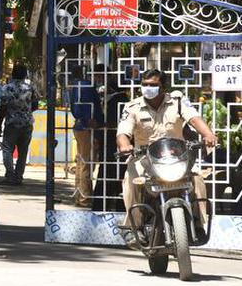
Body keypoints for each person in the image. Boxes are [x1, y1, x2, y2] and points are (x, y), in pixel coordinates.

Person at [116, 69, 217, 240]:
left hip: (177, 158)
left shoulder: (178, 103)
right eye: (145, 85)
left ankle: (199, 223)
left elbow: (193, 118)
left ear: (163, 87)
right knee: (131, 178)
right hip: (145, 159)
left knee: (197, 178)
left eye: (153, 85)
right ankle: (133, 227)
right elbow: (123, 131)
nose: (148, 88)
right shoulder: (132, 107)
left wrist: (208, 134)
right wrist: (125, 145)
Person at [68, 64, 104, 207]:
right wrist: (91, 120)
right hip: (87, 127)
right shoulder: (86, 86)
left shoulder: (75, 86)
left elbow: (76, 108)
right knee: (87, 163)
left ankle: (79, 195)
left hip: (79, 126)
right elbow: (90, 107)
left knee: (81, 162)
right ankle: (85, 198)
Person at [0, 64, 39, 185]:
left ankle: (10, 175)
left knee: (7, 149)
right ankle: (19, 177)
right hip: (26, 123)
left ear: (12, 74)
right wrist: (25, 112)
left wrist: (0, 123)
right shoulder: (30, 88)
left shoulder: (6, 88)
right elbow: (35, 105)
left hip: (11, 123)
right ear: (25, 74)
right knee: (23, 151)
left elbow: (3, 107)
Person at [92, 75, 128, 211]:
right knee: (118, 179)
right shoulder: (124, 101)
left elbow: (113, 123)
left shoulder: (116, 101)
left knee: (106, 179)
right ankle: (118, 208)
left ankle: (100, 208)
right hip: (117, 146)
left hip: (112, 146)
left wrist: (100, 125)